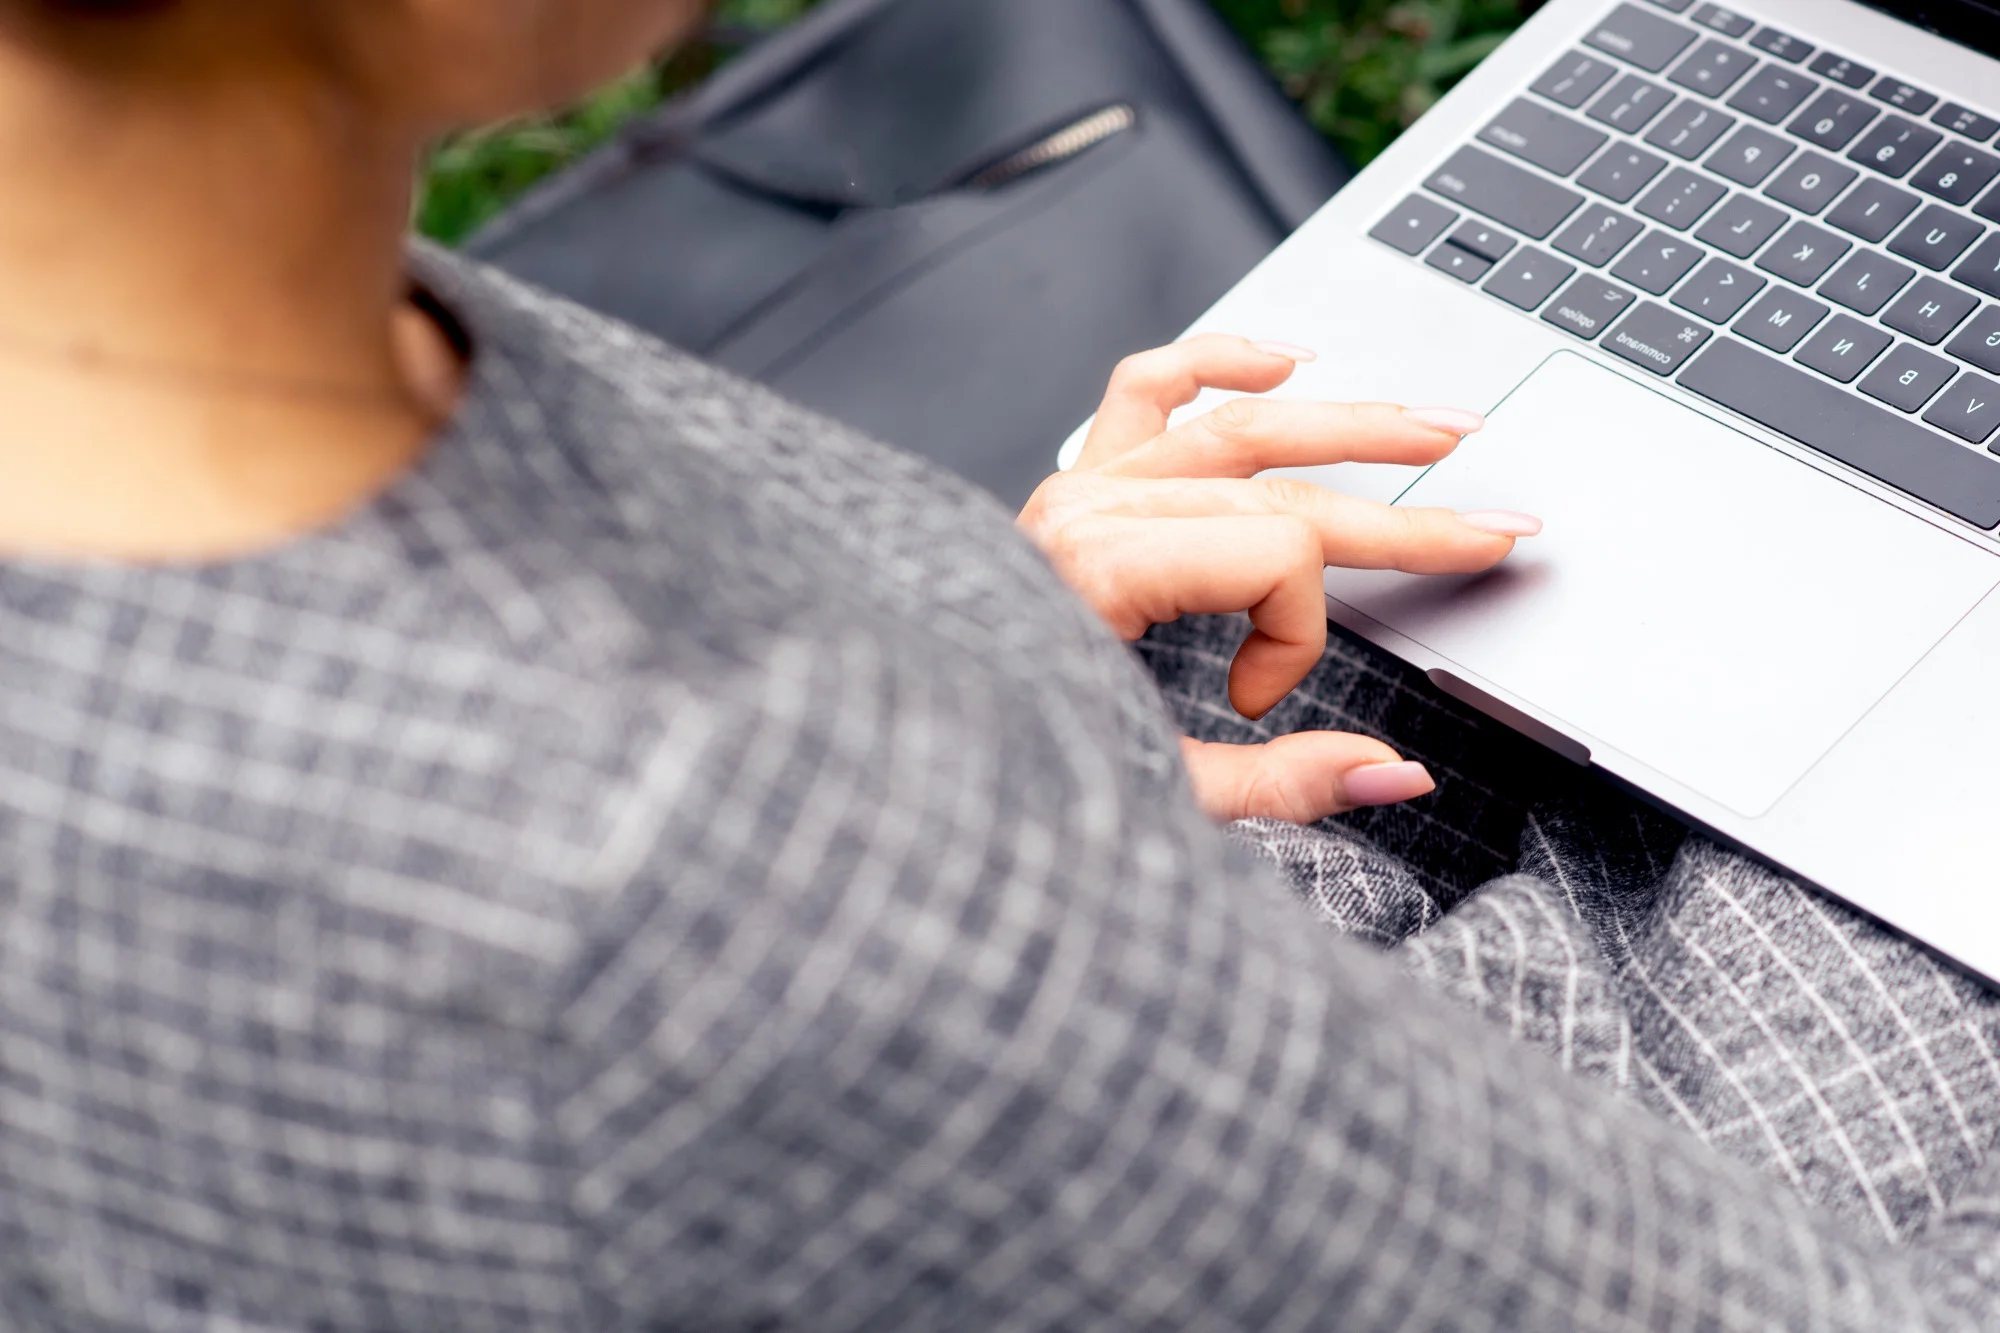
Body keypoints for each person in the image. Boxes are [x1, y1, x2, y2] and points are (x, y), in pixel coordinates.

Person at [0, 1, 1993, 1329]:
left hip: (1019, 959)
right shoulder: (680, 878)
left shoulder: (157, 292)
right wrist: (957, 841)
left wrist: (993, 663)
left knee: (1445, 506)